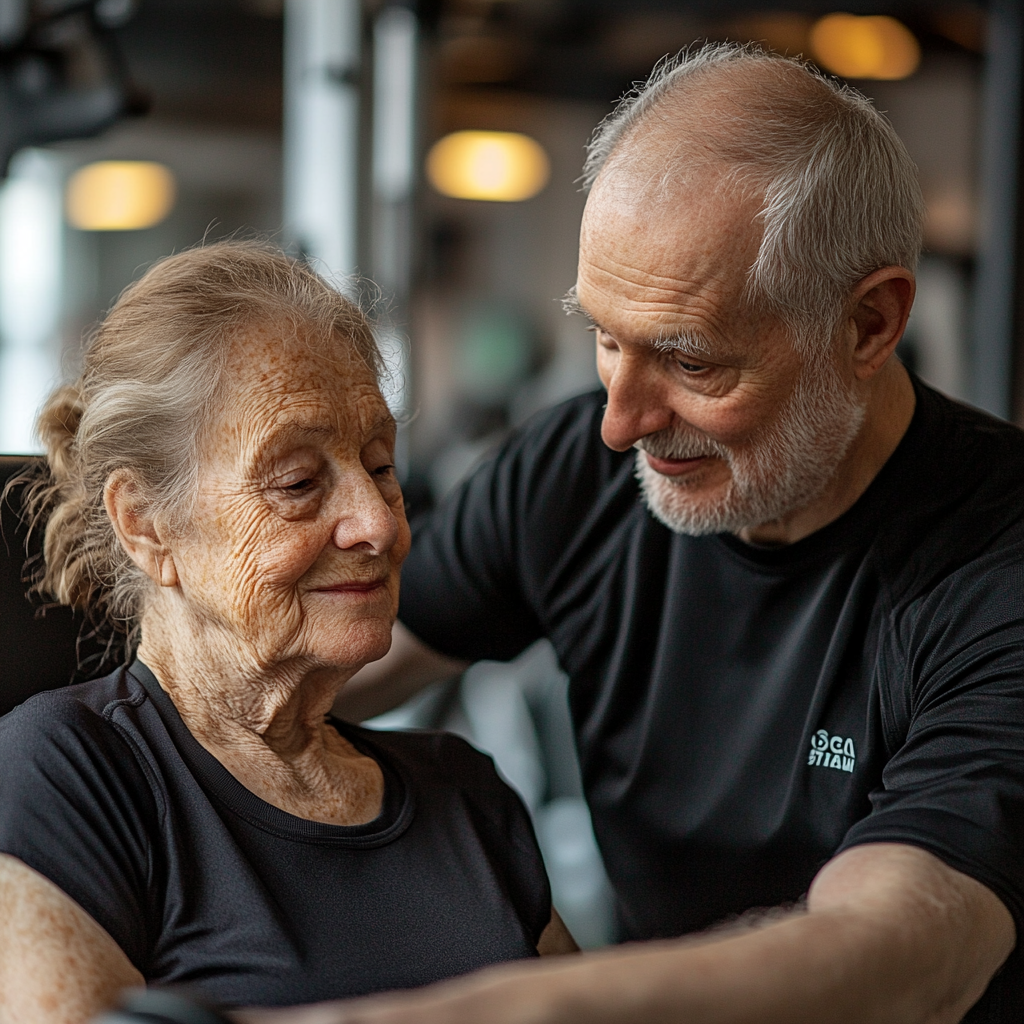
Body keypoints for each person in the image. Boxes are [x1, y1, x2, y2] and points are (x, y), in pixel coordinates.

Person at [247, 45, 1024, 1024]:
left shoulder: (996, 568)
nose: (621, 421)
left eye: (690, 362)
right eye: (606, 339)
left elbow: (891, 958)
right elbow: (282, 684)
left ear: (868, 324)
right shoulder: (581, 466)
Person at [0, 242, 576, 1024]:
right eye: (299, 483)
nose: (377, 523)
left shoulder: (466, 794)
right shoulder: (68, 776)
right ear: (146, 526)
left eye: (380, 465)